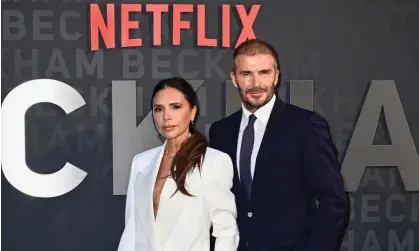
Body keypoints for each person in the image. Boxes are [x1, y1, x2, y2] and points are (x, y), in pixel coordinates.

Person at [209, 39, 348, 251]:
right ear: (234, 79)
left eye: (264, 72)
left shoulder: (305, 126)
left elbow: (334, 200)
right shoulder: (221, 132)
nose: (256, 83)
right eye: (246, 74)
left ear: (276, 75)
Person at [117, 77, 239, 251]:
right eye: (158, 109)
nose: (166, 116)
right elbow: (132, 231)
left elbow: (226, 231)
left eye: (175, 107)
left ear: (192, 112)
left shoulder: (213, 162)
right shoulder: (141, 162)